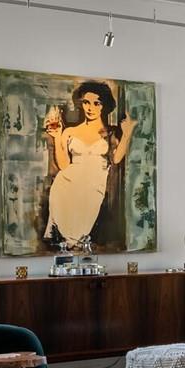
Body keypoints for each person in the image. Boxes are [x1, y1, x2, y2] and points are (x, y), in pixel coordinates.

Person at [43, 80, 136, 248]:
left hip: (94, 185)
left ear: (104, 106)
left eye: (96, 103)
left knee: (80, 231)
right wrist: (57, 137)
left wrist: (127, 133)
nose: (90, 108)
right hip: (67, 184)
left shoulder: (111, 132)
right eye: (86, 102)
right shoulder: (70, 131)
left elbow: (116, 159)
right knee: (67, 237)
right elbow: (64, 165)